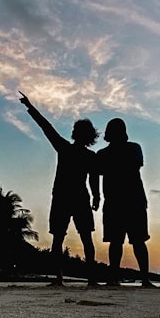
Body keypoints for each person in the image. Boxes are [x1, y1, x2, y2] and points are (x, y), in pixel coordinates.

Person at [19, 92, 100, 286]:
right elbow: (46, 127)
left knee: (70, 238)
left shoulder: (73, 151)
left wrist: (97, 196)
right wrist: (30, 107)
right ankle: (75, 278)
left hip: (72, 198)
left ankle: (66, 278)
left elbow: (94, 177)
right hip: (70, 197)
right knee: (70, 238)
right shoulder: (73, 150)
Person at [96, 118, 153, 287]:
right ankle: (118, 277)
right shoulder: (105, 153)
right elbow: (99, 171)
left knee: (136, 241)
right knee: (118, 242)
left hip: (132, 200)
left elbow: (135, 165)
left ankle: (143, 278)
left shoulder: (132, 148)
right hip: (118, 201)